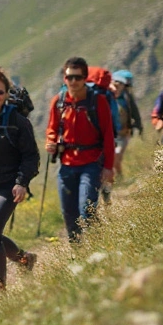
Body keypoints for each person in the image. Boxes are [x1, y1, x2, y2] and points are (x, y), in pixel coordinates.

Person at [0, 68, 39, 289]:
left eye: (0, 92)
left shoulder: (17, 121)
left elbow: (31, 156)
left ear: (6, 94)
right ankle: (25, 258)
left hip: (8, 186)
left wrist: (22, 183)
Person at [45, 57, 115, 243]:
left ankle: (96, 245)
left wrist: (108, 167)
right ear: (64, 78)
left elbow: (108, 135)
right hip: (66, 165)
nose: (73, 81)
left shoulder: (98, 102)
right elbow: (52, 128)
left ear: (85, 78)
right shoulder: (58, 102)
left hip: (91, 164)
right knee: (68, 212)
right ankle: (77, 250)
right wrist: (51, 142)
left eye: (78, 77)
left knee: (87, 209)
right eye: (69, 77)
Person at [106, 70, 142, 201]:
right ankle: (116, 180)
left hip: (124, 134)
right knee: (113, 158)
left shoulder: (127, 98)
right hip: (111, 134)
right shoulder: (106, 96)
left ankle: (117, 179)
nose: (118, 85)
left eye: (121, 84)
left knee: (116, 156)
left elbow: (135, 111)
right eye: (116, 82)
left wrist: (139, 126)